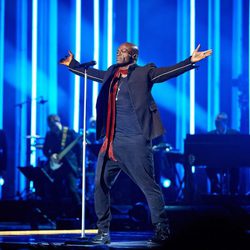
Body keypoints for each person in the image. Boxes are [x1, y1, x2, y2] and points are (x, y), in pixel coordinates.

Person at [60, 42, 212, 245]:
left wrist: (189, 61)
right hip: (112, 142)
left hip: (136, 142)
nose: (118, 53)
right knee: (100, 185)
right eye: (117, 51)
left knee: (149, 187)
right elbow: (91, 74)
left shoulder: (144, 72)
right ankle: (103, 232)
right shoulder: (111, 74)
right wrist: (74, 64)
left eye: (123, 51)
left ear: (133, 56)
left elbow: (166, 73)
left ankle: (162, 231)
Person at [42, 114, 82, 218]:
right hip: (56, 166)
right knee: (55, 189)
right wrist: (51, 156)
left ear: (58, 122)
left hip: (69, 166)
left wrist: (80, 164)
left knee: (72, 189)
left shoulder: (69, 132)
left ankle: (81, 213)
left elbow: (79, 149)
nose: (53, 128)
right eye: (51, 126)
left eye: (54, 125)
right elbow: (45, 150)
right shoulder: (49, 134)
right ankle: (59, 214)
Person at [206, 112, 240, 195]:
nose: (216, 123)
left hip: (231, 161)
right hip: (215, 161)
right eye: (216, 121)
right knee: (209, 168)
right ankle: (215, 188)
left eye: (219, 121)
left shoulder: (234, 134)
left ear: (225, 122)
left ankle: (233, 191)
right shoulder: (210, 135)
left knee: (236, 168)